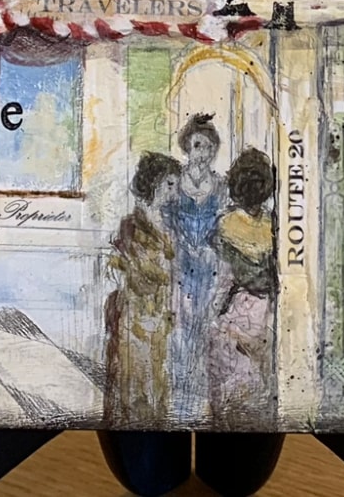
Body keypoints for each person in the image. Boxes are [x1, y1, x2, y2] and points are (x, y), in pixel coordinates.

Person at [105, 152, 180, 426]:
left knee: (156, 376)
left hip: (158, 316)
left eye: (175, 186)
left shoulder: (166, 224)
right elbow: (139, 273)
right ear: (154, 182)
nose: (173, 193)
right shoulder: (132, 225)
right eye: (169, 185)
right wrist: (162, 276)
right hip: (137, 314)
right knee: (135, 378)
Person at [209, 148, 279, 426]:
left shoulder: (225, 224)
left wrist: (214, 312)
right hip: (264, 313)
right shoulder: (273, 225)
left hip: (237, 311)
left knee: (229, 385)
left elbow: (220, 278)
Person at [166, 113, 225, 423]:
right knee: (182, 324)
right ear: (187, 147)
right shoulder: (176, 182)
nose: (203, 153)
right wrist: (182, 244)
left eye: (208, 147)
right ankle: (180, 391)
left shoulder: (220, 185)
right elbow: (167, 217)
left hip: (208, 264)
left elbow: (222, 224)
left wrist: (209, 246)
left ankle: (197, 394)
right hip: (181, 262)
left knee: (203, 325)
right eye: (198, 146)